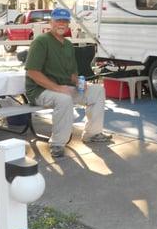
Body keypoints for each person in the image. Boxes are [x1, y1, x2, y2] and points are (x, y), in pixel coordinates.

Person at [25, 8, 112, 158]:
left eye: (65, 21)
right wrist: (58, 88)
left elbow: (71, 74)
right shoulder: (41, 41)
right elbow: (32, 72)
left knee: (97, 90)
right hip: (40, 91)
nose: (61, 24)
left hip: (63, 88)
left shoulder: (68, 45)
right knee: (64, 99)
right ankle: (57, 144)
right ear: (51, 22)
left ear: (68, 24)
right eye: (58, 20)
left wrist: (78, 81)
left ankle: (92, 133)